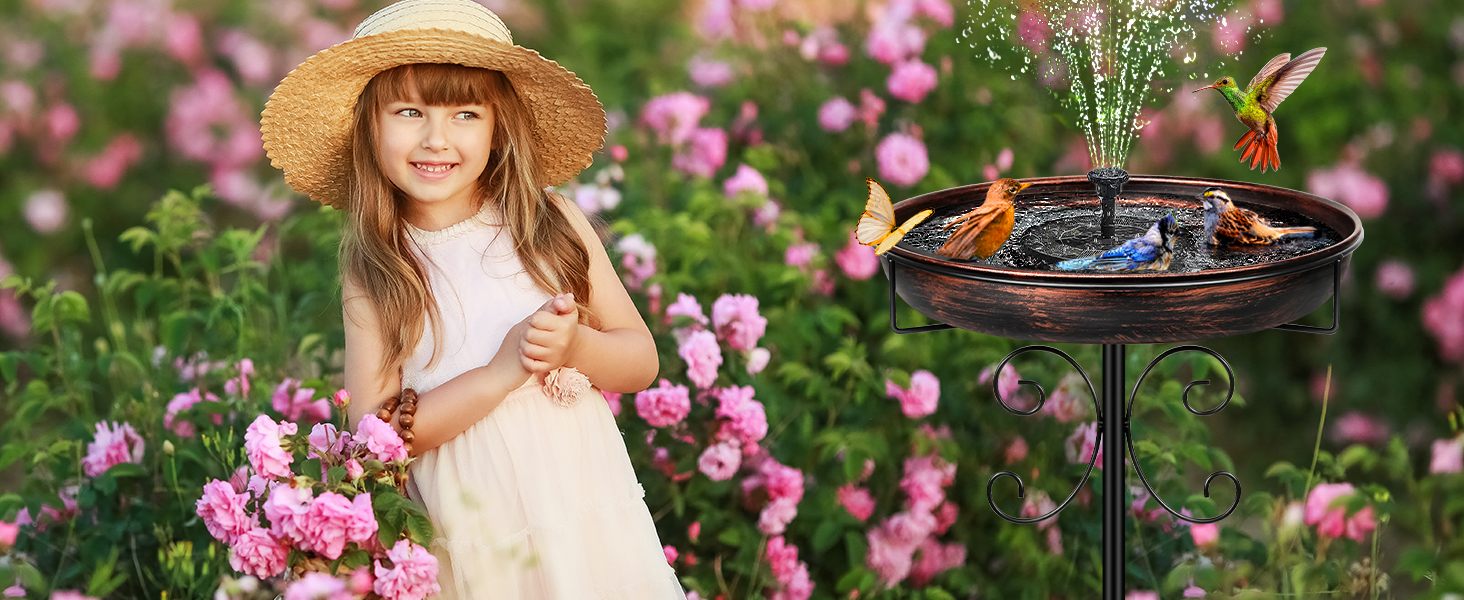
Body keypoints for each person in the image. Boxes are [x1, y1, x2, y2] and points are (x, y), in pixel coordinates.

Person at [260, 0, 686, 597]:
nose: (437, 138)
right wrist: (500, 373)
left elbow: (641, 361)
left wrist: (577, 345)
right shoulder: (381, 265)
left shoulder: (549, 224)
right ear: (369, 126)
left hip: (585, 520)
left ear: (498, 126)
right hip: (475, 538)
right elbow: (376, 435)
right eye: (409, 111)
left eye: (465, 113)